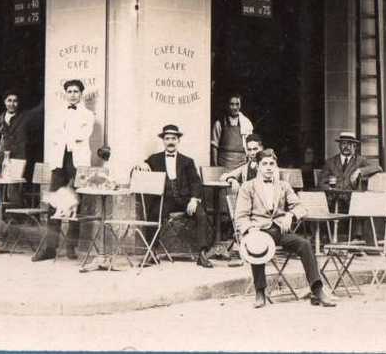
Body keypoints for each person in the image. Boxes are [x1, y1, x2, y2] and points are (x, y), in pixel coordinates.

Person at [235, 149, 336, 308]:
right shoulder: (248, 187)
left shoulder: (283, 185)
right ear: (258, 167)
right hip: (259, 231)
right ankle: (260, 291)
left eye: (272, 164)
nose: (268, 168)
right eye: (265, 164)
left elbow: (301, 207)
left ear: (276, 166)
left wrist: (291, 215)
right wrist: (250, 230)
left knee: (304, 244)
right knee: (257, 245)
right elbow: (240, 217)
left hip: (280, 231)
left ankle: (317, 289)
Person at [32, 79, 95, 261]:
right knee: (54, 202)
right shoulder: (57, 114)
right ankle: (50, 248)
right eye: (70, 91)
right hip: (59, 160)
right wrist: (67, 137)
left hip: (78, 161)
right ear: (65, 93)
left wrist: (67, 135)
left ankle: (71, 247)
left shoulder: (88, 115)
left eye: (76, 91)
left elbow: (83, 135)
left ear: (81, 94)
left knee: (75, 202)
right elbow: (54, 135)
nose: (73, 94)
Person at [135, 124, 213, 268]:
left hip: (185, 200)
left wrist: (194, 200)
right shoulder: (154, 159)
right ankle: (152, 252)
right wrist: (141, 164)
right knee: (153, 213)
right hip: (166, 199)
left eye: (173, 138)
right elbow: (137, 173)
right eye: (167, 138)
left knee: (201, 215)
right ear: (163, 141)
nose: (170, 141)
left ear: (178, 141)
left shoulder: (187, 161)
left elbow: (196, 182)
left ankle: (202, 255)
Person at [210, 94, 254, 169]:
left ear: (240, 105)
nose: (234, 107)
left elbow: (250, 146)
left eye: (237, 104)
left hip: (242, 164)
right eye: (232, 104)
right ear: (227, 105)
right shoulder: (220, 123)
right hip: (224, 163)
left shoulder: (246, 123)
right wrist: (216, 166)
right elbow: (214, 146)